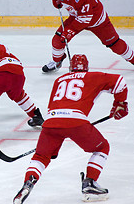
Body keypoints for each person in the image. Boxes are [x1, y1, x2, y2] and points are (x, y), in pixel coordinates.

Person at [13, 54, 129, 203]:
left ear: (70, 68)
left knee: (41, 156)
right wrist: (120, 104)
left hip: (51, 122)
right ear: (86, 67)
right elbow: (120, 82)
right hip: (76, 122)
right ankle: (90, 183)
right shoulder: (93, 76)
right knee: (102, 147)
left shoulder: (58, 80)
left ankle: (28, 184)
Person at [42, 0, 134, 73]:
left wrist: (70, 31)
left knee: (115, 44)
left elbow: (86, 18)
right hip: (77, 17)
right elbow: (61, 4)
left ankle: (133, 58)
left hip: (97, 20)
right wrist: (56, 2)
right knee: (58, 39)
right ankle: (56, 62)